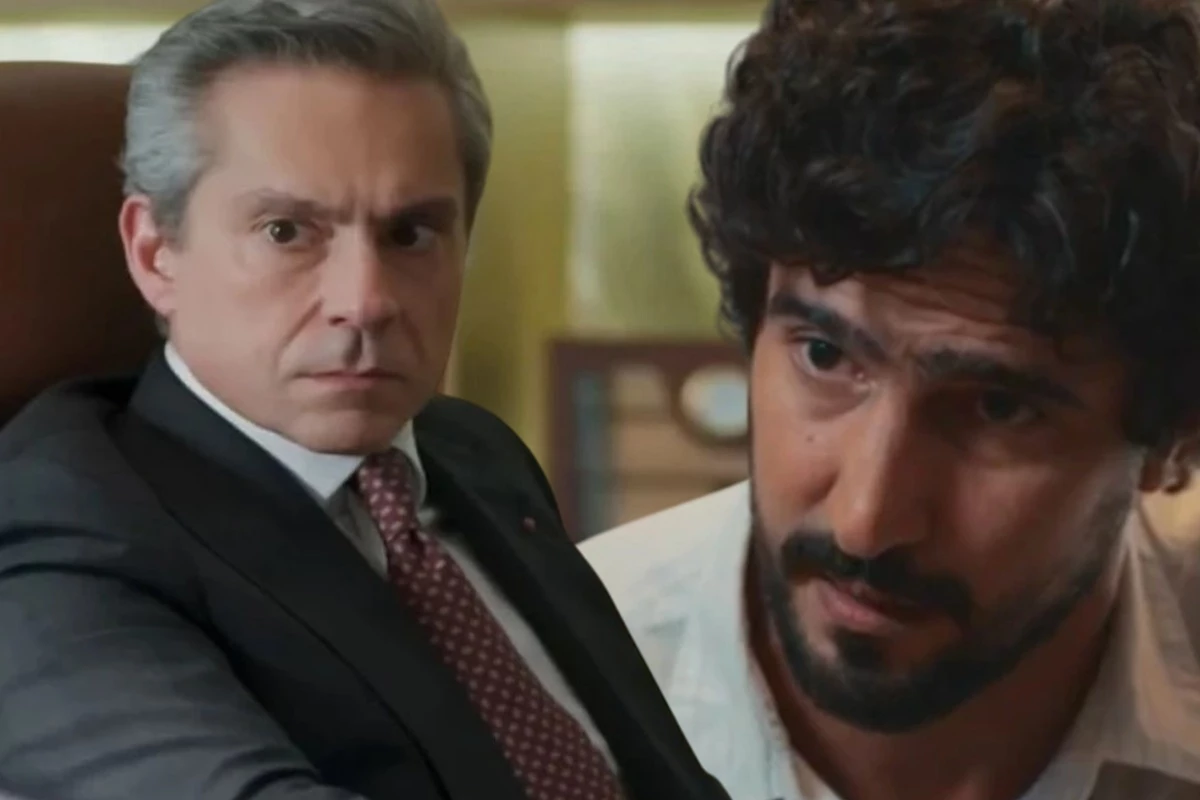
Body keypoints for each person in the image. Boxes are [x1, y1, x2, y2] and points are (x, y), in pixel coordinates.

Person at [0, 2, 727, 799]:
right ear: (154, 252)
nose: (367, 300)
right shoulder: (61, 524)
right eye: (287, 231)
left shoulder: (472, 453)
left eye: (411, 234)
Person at [581, 0, 1200, 798]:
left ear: (1173, 438)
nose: (865, 521)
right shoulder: (538, 685)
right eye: (825, 355)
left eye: (997, 408)